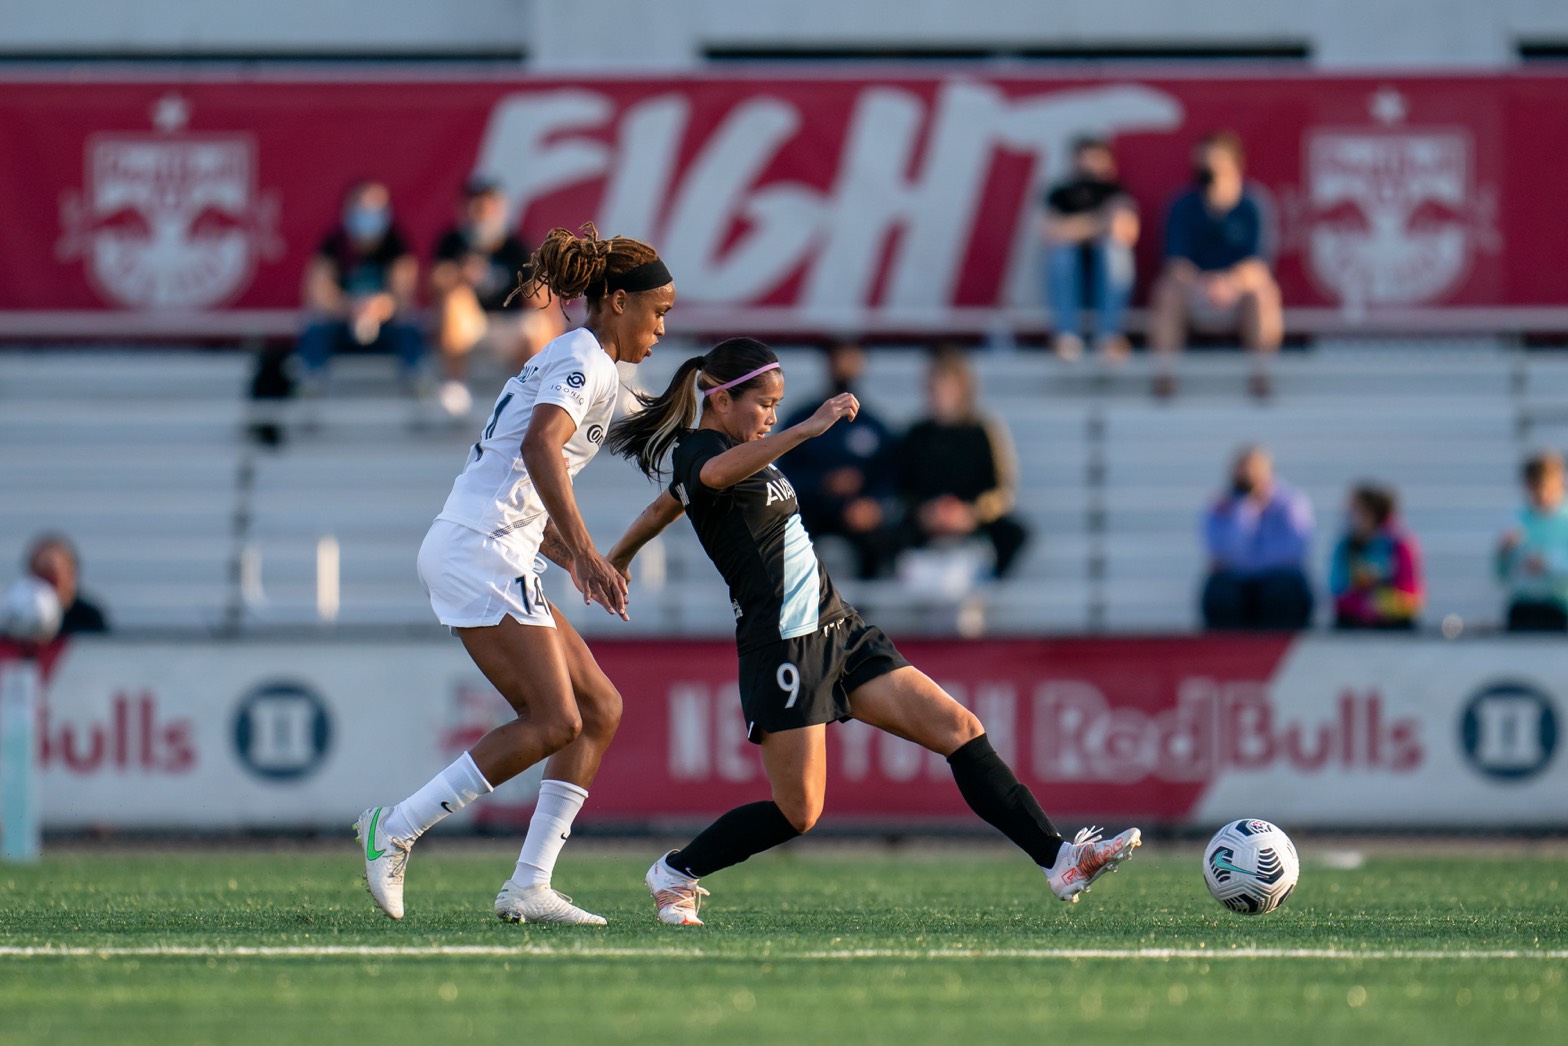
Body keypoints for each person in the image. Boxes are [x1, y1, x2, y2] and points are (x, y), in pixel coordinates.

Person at [603, 337, 1139, 926]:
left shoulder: (739, 448)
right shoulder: (702, 449)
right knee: (799, 811)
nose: (774, 417)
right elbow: (708, 475)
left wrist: (616, 559)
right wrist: (807, 430)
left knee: (958, 727)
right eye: (765, 405)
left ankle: (1060, 858)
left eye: (780, 407)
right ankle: (676, 872)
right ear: (722, 400)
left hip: (839, 626)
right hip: (782, 641)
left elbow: (663, 508)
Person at [354, 223, 676, 925]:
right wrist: (588, 553)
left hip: (496, 544)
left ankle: (531, 882)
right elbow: (538, 446)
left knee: (599, 709)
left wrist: (573, 562)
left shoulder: (579, 358)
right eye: (659, 312)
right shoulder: (584, 358)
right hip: (481, 549)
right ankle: (397, 828)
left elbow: (524, 475)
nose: (661, 328)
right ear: (617, 301)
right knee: (554, 718)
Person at [1148, 131, 1283, 399]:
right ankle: (1165, 377)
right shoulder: (1182, 205)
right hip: (1193, 292)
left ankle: (1260, 375)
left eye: (1215, 164)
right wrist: (1202, 284)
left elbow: (1258, 264)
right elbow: (1175, 263)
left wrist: (1230, 283)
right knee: (1166, 292)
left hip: (1238, 295)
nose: (1208, 171)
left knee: (1263, 292)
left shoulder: (1253, 204)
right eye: (1204, 164)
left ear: (1235, 165)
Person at [429, 176, 564, 418]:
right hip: (471, 326)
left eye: (486, 205)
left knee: (539, 323)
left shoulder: (516, 246)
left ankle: (538, 393)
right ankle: (455, 385)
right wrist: (460, 275)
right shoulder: (451, 242)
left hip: (508, 325)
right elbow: (435, 285)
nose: (480, 211)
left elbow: (541, 295)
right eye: (474, 204)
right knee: (453, 299)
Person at [893, 346, 1029, 580]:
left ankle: (987, 585)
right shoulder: (915, 433)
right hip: (925, 521)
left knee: (1015, 533)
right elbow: (900, 486)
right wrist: (926, 513)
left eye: (946, 386)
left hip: (972, 520)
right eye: (934, 386)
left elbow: (1003, 489)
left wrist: (970, 513)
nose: (938, 393)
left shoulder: (984, 430)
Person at [777, 340, 898, 579]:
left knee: (881, 541)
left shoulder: (874, 425)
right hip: (810, 511)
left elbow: (889, 474)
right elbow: (785, 474)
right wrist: (824, 484)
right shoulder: (803, 419)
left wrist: (873, 504)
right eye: (840, 360)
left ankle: (865, 611)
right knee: (785, 541)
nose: (845, 368)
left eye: (851, 360)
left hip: (857, 513)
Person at [296, 180, 425, 394]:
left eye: (377, 207)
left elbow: (403, 296)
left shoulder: (396, 244)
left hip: (385, 327)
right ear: (349, 209)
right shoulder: (333, 243)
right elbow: (317, 294)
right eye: (364, 207)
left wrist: (378, 308)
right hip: (343, 325)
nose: (370, 213)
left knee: (409, 328)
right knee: (315, 328)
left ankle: (418, 385)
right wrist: (352, 308)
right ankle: (310, 387)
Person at [1040, 137, 1139, 363]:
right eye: (1084, 157)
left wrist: (1073, 227)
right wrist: (1100, 224)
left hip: (1105, 284)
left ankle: (1108, 336)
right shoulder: (1060, 193)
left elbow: (1126, 231)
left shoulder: (1116, 191)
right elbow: (1049, 232)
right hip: (1070, 283)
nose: (1089, 163)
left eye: (1095, 157)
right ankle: (1067, 336)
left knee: (1115, 251)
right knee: (1061, 254)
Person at [1201, 446, 1314, 630]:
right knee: (1221, 592)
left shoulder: (1290, 501)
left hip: (1275, 579)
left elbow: (1292, 549)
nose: (1247, 474)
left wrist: (1249, 565)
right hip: (1238, 581)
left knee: (1281, 590)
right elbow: (1218, 548)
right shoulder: (1221, 505)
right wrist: (1244, 510)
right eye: (1242, 468)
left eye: (1253, 468)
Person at [1329, 483, 1423, 630]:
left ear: (1373, 514)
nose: (1350, 518)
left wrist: (1378, 602)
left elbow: (1411, 599)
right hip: (1354, 624)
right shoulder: (1345, 546)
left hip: (1394, 625)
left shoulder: (1399, 545)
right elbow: (1337, 592)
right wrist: (1364, 603)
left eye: (1357, 512)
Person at [1496, 450, 1568, 632]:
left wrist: (1548, 563)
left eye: (1547, 486)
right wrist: (1504, 553)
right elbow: (1501, 574)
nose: (1542, 494)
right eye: (1535, 487)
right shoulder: (1516, 519)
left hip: (1559, 607)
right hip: (1523, 606)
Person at [20, 533, 108, 635]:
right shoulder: (17, 616)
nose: (47, 586)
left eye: (53, 576)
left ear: (71, 573)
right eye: (42, 576)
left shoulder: (89, 617)